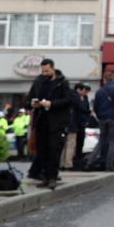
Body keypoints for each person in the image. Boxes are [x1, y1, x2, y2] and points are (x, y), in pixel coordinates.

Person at [25, 58, 74, 189]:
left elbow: (69, 100)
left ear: (53, 69)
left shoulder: (61, 83)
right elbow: (27, 101)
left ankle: (53, 177)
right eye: (43, 71)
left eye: (47, 71)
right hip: (41, 121)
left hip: (57, 123)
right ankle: (45, 177)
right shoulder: (38, 82)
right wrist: (32, 104)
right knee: (42, 151)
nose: (44, 73)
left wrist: (52, 104)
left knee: (54, 150)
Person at [88, 71, 114, 172]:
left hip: (102, 119)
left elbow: (95, 106)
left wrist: (100, 116)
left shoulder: (99, 91)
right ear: (113, 79)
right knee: (113, 142)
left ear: (104, 80)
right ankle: (109, 165)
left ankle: (89, 162)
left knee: (101, 141)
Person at [62, 83, 91, 170]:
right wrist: (89, 112)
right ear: (79, 89)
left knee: (64, 145)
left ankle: (61, 163)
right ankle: (68, 164)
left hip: (64, 124)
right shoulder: (76, 97)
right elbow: (81, 108)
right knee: (71, 145)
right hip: (73, 124)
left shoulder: (67, 96)